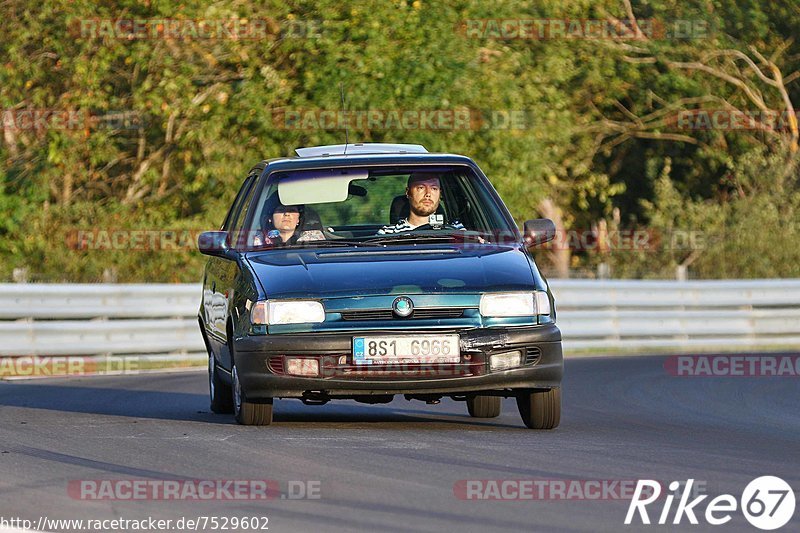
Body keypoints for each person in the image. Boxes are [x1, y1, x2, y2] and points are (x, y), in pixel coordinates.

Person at [378, 172, 465, 234]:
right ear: (408, 193)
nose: (428, 194)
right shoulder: (388, 234)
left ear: (440, 195)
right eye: (421, 188)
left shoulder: (457, 231)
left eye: (434, 188)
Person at [253, 204, 324, 247]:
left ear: (298, 219)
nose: (287, 213)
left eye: (292, 210)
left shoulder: (314, 240)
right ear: (270, 218)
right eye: (280, 210)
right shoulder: (256, 241)